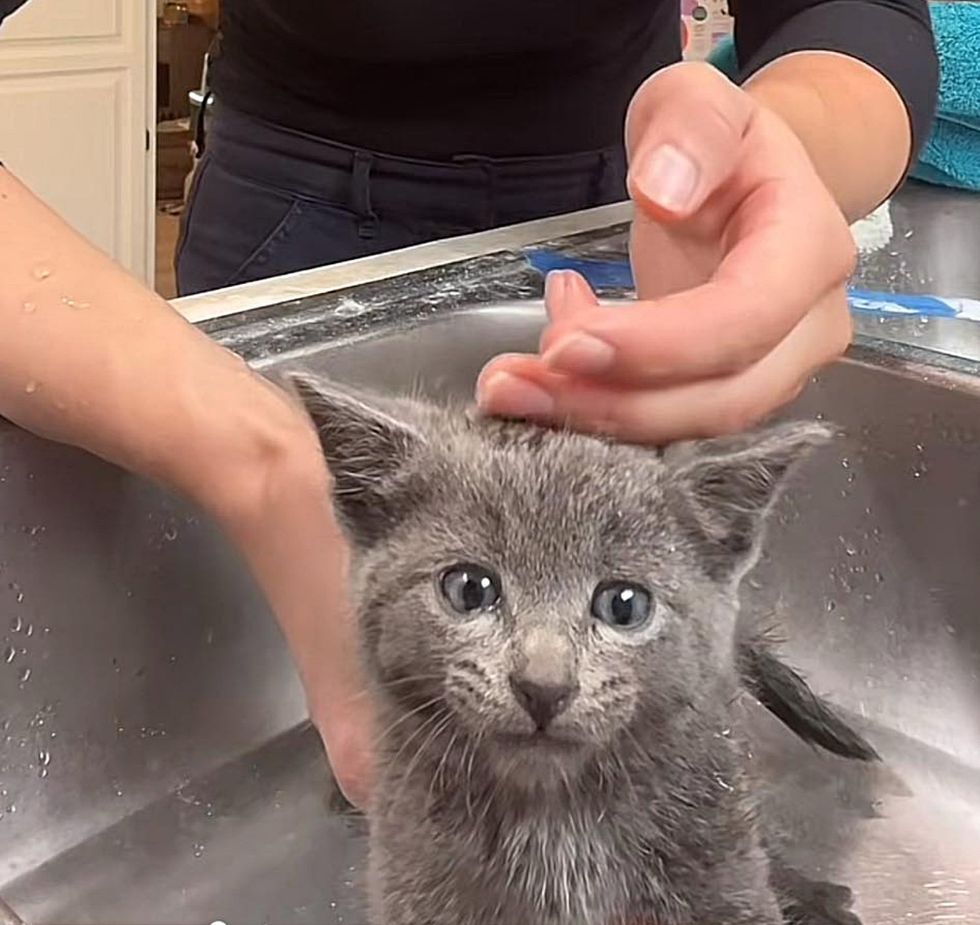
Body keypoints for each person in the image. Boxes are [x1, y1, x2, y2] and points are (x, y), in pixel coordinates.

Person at [0, 0, 937, 807]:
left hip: (634, 216)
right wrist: (263, 464)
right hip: (295, 212)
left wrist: (775, 157)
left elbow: (859, 17)